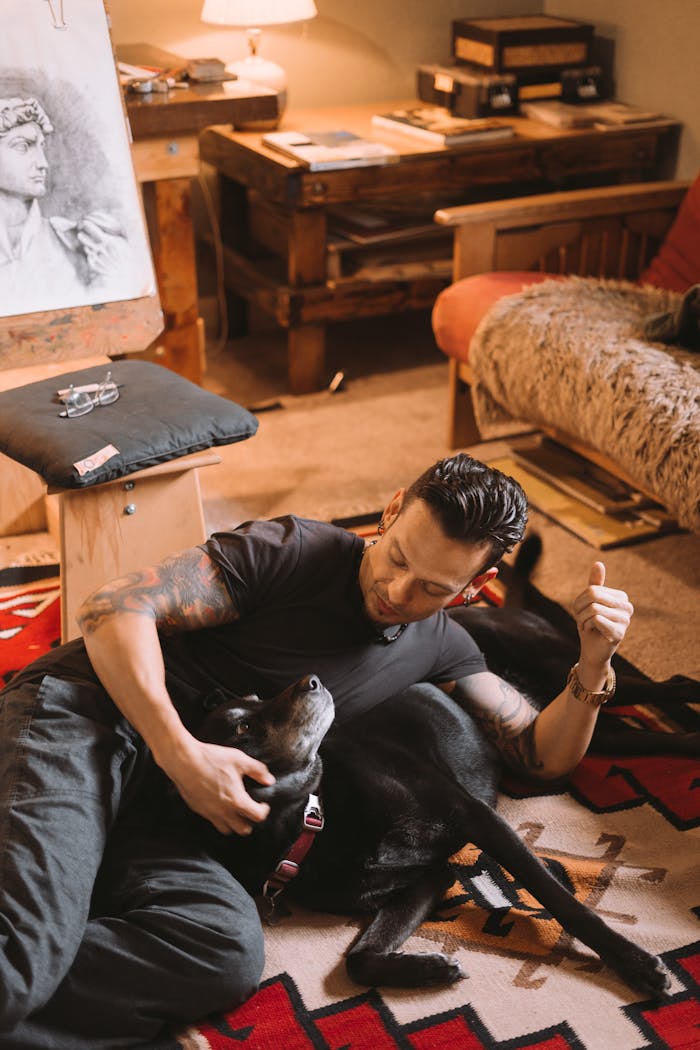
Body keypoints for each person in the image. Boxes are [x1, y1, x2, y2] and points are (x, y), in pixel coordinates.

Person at [0, 454, 633, 1047]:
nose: (397, 588)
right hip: (88, 722)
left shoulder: (440, 646)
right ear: (390, 512)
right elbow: (114, 609)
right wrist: (178, 751)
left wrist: (595, 665)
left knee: (223, 952)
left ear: (477, 584)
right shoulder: (291, 549)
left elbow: (540, 756)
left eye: (433, 586)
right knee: (33, 946)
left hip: (176, 817)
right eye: (398, 556)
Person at [0, 95, 129, 316]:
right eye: (23, 147)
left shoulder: (78, 243)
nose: (43, 163)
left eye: (41, 147)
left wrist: (115, 274)